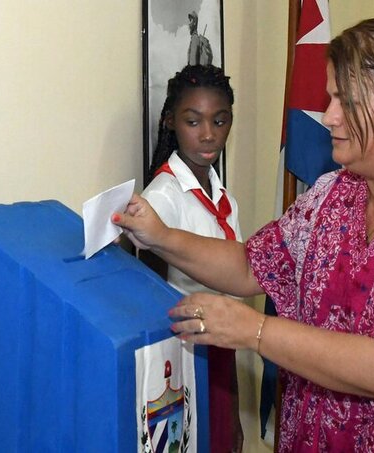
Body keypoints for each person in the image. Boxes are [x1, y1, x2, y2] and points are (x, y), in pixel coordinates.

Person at [115, 12, 374, 451]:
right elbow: (252, 266)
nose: (328, 116)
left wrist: (255, 331)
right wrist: (159, 234)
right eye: (330, 98)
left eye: (347, 102)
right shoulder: (337, 191)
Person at [142, 63, 244, 452]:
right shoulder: (161, 199)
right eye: (193, 121)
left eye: (219, 121)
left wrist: (234, 409)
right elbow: (150, 301)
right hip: (184, 356)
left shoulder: (225, 199)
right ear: (171, 121)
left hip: (223, 347)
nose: (208, 134)